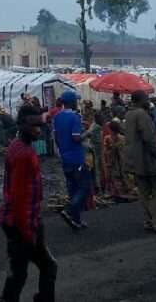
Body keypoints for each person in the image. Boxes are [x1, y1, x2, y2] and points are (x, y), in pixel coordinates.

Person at [0, 104, 57, 302]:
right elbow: (19, 198)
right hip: (22, 222)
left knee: (18, 272)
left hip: (14, 219)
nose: (38, 130)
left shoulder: (16, 145)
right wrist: (28, 232)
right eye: (33, 125)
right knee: (46, 267)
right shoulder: (25, 154)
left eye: (39, 125)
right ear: (21, 124)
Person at [124, 91, 156, 235]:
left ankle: (149, 220)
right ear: (141, 100)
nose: (148, 101)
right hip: (149, 160)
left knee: (144, 193)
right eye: (146, 99)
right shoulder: (142, 115)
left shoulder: (129, 114)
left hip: (136, 161)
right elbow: (149, 138)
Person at [52, 90, 90, 230]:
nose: (77, 102)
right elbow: (76, 138)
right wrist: (87, 133)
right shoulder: (75, 117)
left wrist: (63, 150)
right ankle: (69, 210)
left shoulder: (57, 117)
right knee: (84, 187)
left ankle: (76, 220)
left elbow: (56, 137)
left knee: (72, 189)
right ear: (72, 102)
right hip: (76, 158)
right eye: (76, 100)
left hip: (65, 158)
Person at [102, 121, 136, 201]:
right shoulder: (122, 138)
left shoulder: (108, 138)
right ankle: (126, 192)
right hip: (120, 161)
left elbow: (105, 152)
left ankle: (117, 193)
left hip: (114, 162)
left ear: (111, 129)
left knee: (115, 176)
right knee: (123, 176)